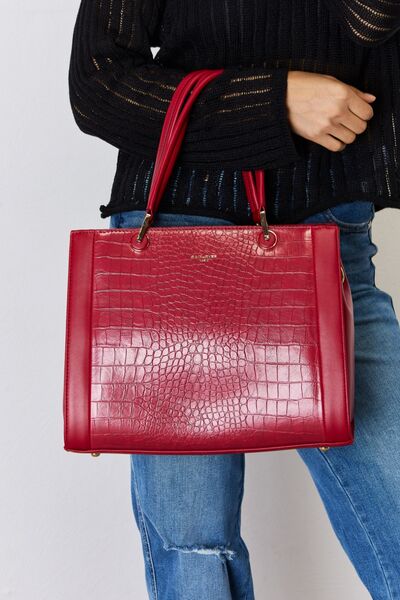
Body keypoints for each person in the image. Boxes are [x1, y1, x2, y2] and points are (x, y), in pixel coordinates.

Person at [68, 1, 400, 597]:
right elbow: (97, 82)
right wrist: (269, 103)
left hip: (332, 239)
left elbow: (370, 22)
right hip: (178, 236)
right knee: (196, 552)